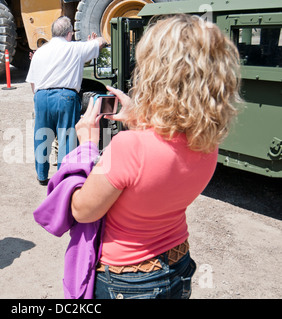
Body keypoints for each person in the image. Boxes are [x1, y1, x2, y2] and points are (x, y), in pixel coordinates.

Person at [69, 14, 242, 298]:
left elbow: (82, 210)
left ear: (156, 74)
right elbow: (167, 151)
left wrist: (86, 145)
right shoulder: (208, 143)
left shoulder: (128, 147)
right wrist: (139, 118)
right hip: (178, 263)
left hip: (128, 280)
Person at [26, 16, 106, 185]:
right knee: (66, 137)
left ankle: (41, 176)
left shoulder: (40, 51)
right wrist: (94, 40)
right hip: (65, 97)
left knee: (42, 137)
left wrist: (40, 98)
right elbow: (101, 41)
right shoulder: (75, 48)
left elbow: (32, 82)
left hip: (41, 96)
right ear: (69, 33)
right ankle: (63, 176)